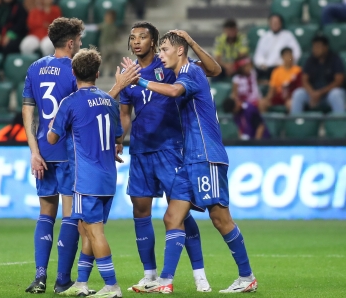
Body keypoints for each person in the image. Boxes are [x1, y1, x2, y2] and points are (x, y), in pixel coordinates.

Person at [131, 32, 257, 294]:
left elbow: (178, 90)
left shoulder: (190, 73)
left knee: (220, 219)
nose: (160, 54)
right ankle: (165, 281)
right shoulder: (186, 71)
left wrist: (140, 81)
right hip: (189, 159)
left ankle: (247, 277)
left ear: (179, 51)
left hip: (206, 156)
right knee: (172, 217)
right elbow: (216, 68)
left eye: (164, 49)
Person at [115, 22, 221, 293]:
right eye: (132, 37)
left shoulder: (171, 65)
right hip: (140, 149)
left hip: (171, 148)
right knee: (140, 210)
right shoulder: (129, 75)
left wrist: (192, 41)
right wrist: (119, 140)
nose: (136, 41)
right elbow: (126, 114)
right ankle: (149, 274)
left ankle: (199, 274)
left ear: (154, 42)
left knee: (180, 214)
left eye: (142, 37)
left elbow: (212, 70)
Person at [47, 47, 124, 298]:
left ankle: (111, 286)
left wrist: (52, 124)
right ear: (97, 73)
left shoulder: (70, 102)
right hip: (108, 178)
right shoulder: (109, 101)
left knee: (94, 231)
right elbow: (117, 137)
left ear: (73, 73)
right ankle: (81, 283)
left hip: (86, 178)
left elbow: (51, 138)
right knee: (87, 228)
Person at [21, 17, 84, 295]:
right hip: (69, 151)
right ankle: (63, 281)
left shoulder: (35, 68)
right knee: (70, 215)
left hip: (43, 153)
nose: (80, 45)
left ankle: (39, 277)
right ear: (70, 43)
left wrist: (34, 152)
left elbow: (28, 111)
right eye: (79, 41)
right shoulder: (76, 70)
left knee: (46, 212)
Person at [291, 36, 345, 115]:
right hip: (313, 94)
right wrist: (312, 93)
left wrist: (320, 93)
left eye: (318, 47)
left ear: (326, 47)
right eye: (314, 47)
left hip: (329, 94)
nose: (315, 49)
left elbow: (339, 81)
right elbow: (304, 80)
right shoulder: (310, 60)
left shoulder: (335, 58)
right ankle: (295, 123)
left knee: (336, 94)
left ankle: (340, 124)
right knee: (298, 94)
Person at [253, 14, 301, 80]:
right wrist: (262, 64)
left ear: (281, 23)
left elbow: (296, 53)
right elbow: (258, 56)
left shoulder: (288, 35)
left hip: (281, 67)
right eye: (272, 22)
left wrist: (287, 63)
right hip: (267, 68)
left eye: (276, 22)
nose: (274, 24)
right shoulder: (265, 37)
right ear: (269, 24)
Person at [260, 47, 302, 113]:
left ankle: (291, 122)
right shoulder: (277, 71)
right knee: (262, 103)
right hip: (279, 96)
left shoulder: (298, 70)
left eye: (290, 55)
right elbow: (272, 89)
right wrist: (267, 99)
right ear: (282, 57)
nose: (289, 58)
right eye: (286, 55)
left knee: (290, 104)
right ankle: (265, 122)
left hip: (291, 96)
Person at [98, 10, 119, 77]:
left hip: (111, 45)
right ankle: (101, 71)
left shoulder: (114, 27)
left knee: (112, 60)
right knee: (103, 59)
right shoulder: (104, 25)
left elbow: (116, 36)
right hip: (104, 45)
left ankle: (111, 72)